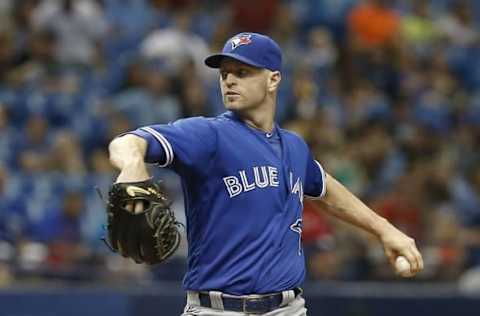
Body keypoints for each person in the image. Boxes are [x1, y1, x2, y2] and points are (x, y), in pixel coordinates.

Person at [108, 32, 424, 316]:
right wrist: (133, 165)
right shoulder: (208, 136)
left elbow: (324, 188)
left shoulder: (294, 147)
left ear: (273, 80)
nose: (229, 80)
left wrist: (383, 229)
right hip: (217, 310)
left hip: (288, 309)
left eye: (242, 73)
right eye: (224, 74)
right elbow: (127, 142)